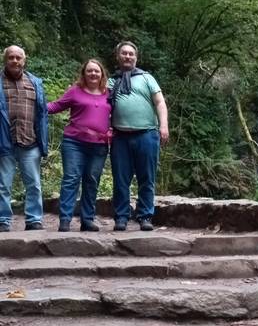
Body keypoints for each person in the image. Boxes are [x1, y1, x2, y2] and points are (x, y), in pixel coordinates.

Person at [109, 41, 169, 232]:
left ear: (136, 57)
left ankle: (145, 216)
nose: (128, 56)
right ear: (118, 56)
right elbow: (100, 104)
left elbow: (159, 102)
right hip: (120, 137)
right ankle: (121, 217)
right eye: (124, 53)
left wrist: (164, 126)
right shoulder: (111, 81)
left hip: (147, 134)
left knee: (147, 178)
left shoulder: (147, 78)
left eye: (131, 54)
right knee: (120, 179)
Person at [48, 59, 111, 232]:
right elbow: (56, 106)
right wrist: (36, 106)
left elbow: (117, 115)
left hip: (99, 145)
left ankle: (87, 220)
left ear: (102, 74)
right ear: (84, 73)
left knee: (92, 181)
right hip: (74, 143)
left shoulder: (109, 94)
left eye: (96, 71)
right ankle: (65, 220)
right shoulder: (75, 91)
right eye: (89, 71)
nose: (93, 73)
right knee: (71, 179)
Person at [0, 45, 48, 232]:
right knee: (3, 185)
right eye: (11, 57)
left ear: (24, 60)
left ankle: (34, 220)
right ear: (5, 59)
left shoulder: (34, 82)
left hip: (30, 141)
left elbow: (42, 113)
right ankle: (3, 220)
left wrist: (42, 140)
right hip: (4, 141)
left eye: (18, 57)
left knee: (34, 184)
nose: (15, 61)